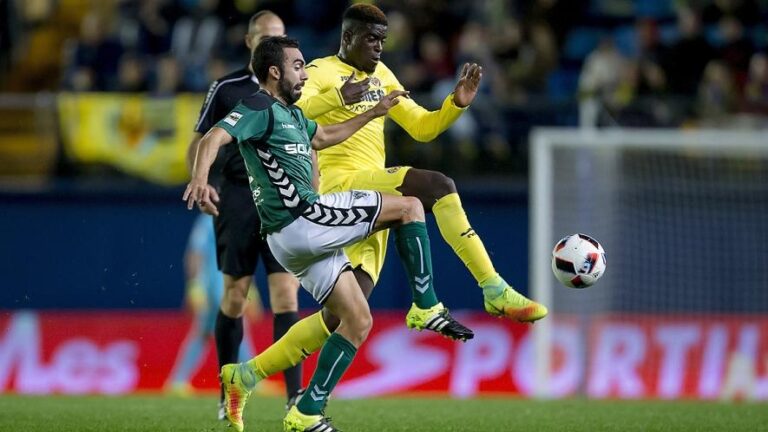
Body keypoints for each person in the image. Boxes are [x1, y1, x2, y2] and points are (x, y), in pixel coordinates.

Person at [184, 36, 472, 432]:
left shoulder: (292, 115)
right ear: (275, 72)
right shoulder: (258, 107)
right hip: (303, 219)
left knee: (357, 319)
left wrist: (374, 112)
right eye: (298, 65)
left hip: (292, 241)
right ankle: (426, 304)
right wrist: (200, 179)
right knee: (410, 206)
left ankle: (285, 400)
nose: (304, 74)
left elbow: (324, 137)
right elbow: (214, 137)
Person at [295, 4, 547, 324]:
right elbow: (293, 113)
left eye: (382, 40)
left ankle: (266, 359)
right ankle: (493, 287)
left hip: (372, 192)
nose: (379, 47)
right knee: (439, 186)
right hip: (341, 186)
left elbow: (421, 127)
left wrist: (455, 105)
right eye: (371, 39)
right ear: (347, 37)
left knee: (345, 317)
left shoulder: (382, 75)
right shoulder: (321, 71)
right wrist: (337, 98)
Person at [186, 11, 303, 418]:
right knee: (235, 295)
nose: (273, 44)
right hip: (237, 197)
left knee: (286, 294)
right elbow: (200, 141)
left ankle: (294, 395)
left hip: (281, 199)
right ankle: (227, 391)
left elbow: (313, 142)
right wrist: (200, 182)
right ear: (250, 41)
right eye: (266, 37)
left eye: (280, 37)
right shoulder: (227, 87)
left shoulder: (296, 88)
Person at [164, 213, 260, 395]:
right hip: (212, 288)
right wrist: (195, 286)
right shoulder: (209, 219)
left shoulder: (240, 219)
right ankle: (251, 380)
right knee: (234, 327)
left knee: (204, 333)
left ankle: (177, 381)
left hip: (228, 286)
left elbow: (243, 257)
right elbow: (195, 254)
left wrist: (251, 292)